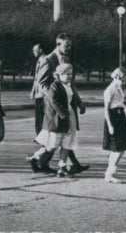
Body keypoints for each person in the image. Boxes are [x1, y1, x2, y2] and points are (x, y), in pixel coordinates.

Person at [32, 33, 87, 173]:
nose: (69, 47)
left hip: (66, 102)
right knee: (57, 136)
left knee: (67, 134)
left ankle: (47, 163)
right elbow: (42, 83)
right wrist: (52, 99)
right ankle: (40, 161)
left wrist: (79, 102)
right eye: (66, 45)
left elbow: (71, 83)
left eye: (70, 45)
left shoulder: (66, 59)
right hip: (52, 105)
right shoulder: (48, 59)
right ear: (58, 44)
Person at [102, 67, 126, 183]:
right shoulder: (109, 90)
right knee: (118, 148)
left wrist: (120, 87)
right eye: (124, 80)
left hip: (121, 117)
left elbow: (123, 100)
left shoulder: (118, 89)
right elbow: (106, 109)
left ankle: (109, 172)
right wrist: (110, 125)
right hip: (114, 117)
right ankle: (109, 173)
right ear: (117, 77)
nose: (125, 83)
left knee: (119, 148)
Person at [29, 44, 47, 136]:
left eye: (35, 50)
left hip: (43, 93)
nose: (34, 52)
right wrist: (33, 91)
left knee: (41, 115)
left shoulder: (45, 60)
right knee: (38, 115)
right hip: (38, 92)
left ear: (41, 49)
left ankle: (40, 134)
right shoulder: (39, 61)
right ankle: (39, 134)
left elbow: (41, 78)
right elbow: (36, 78)